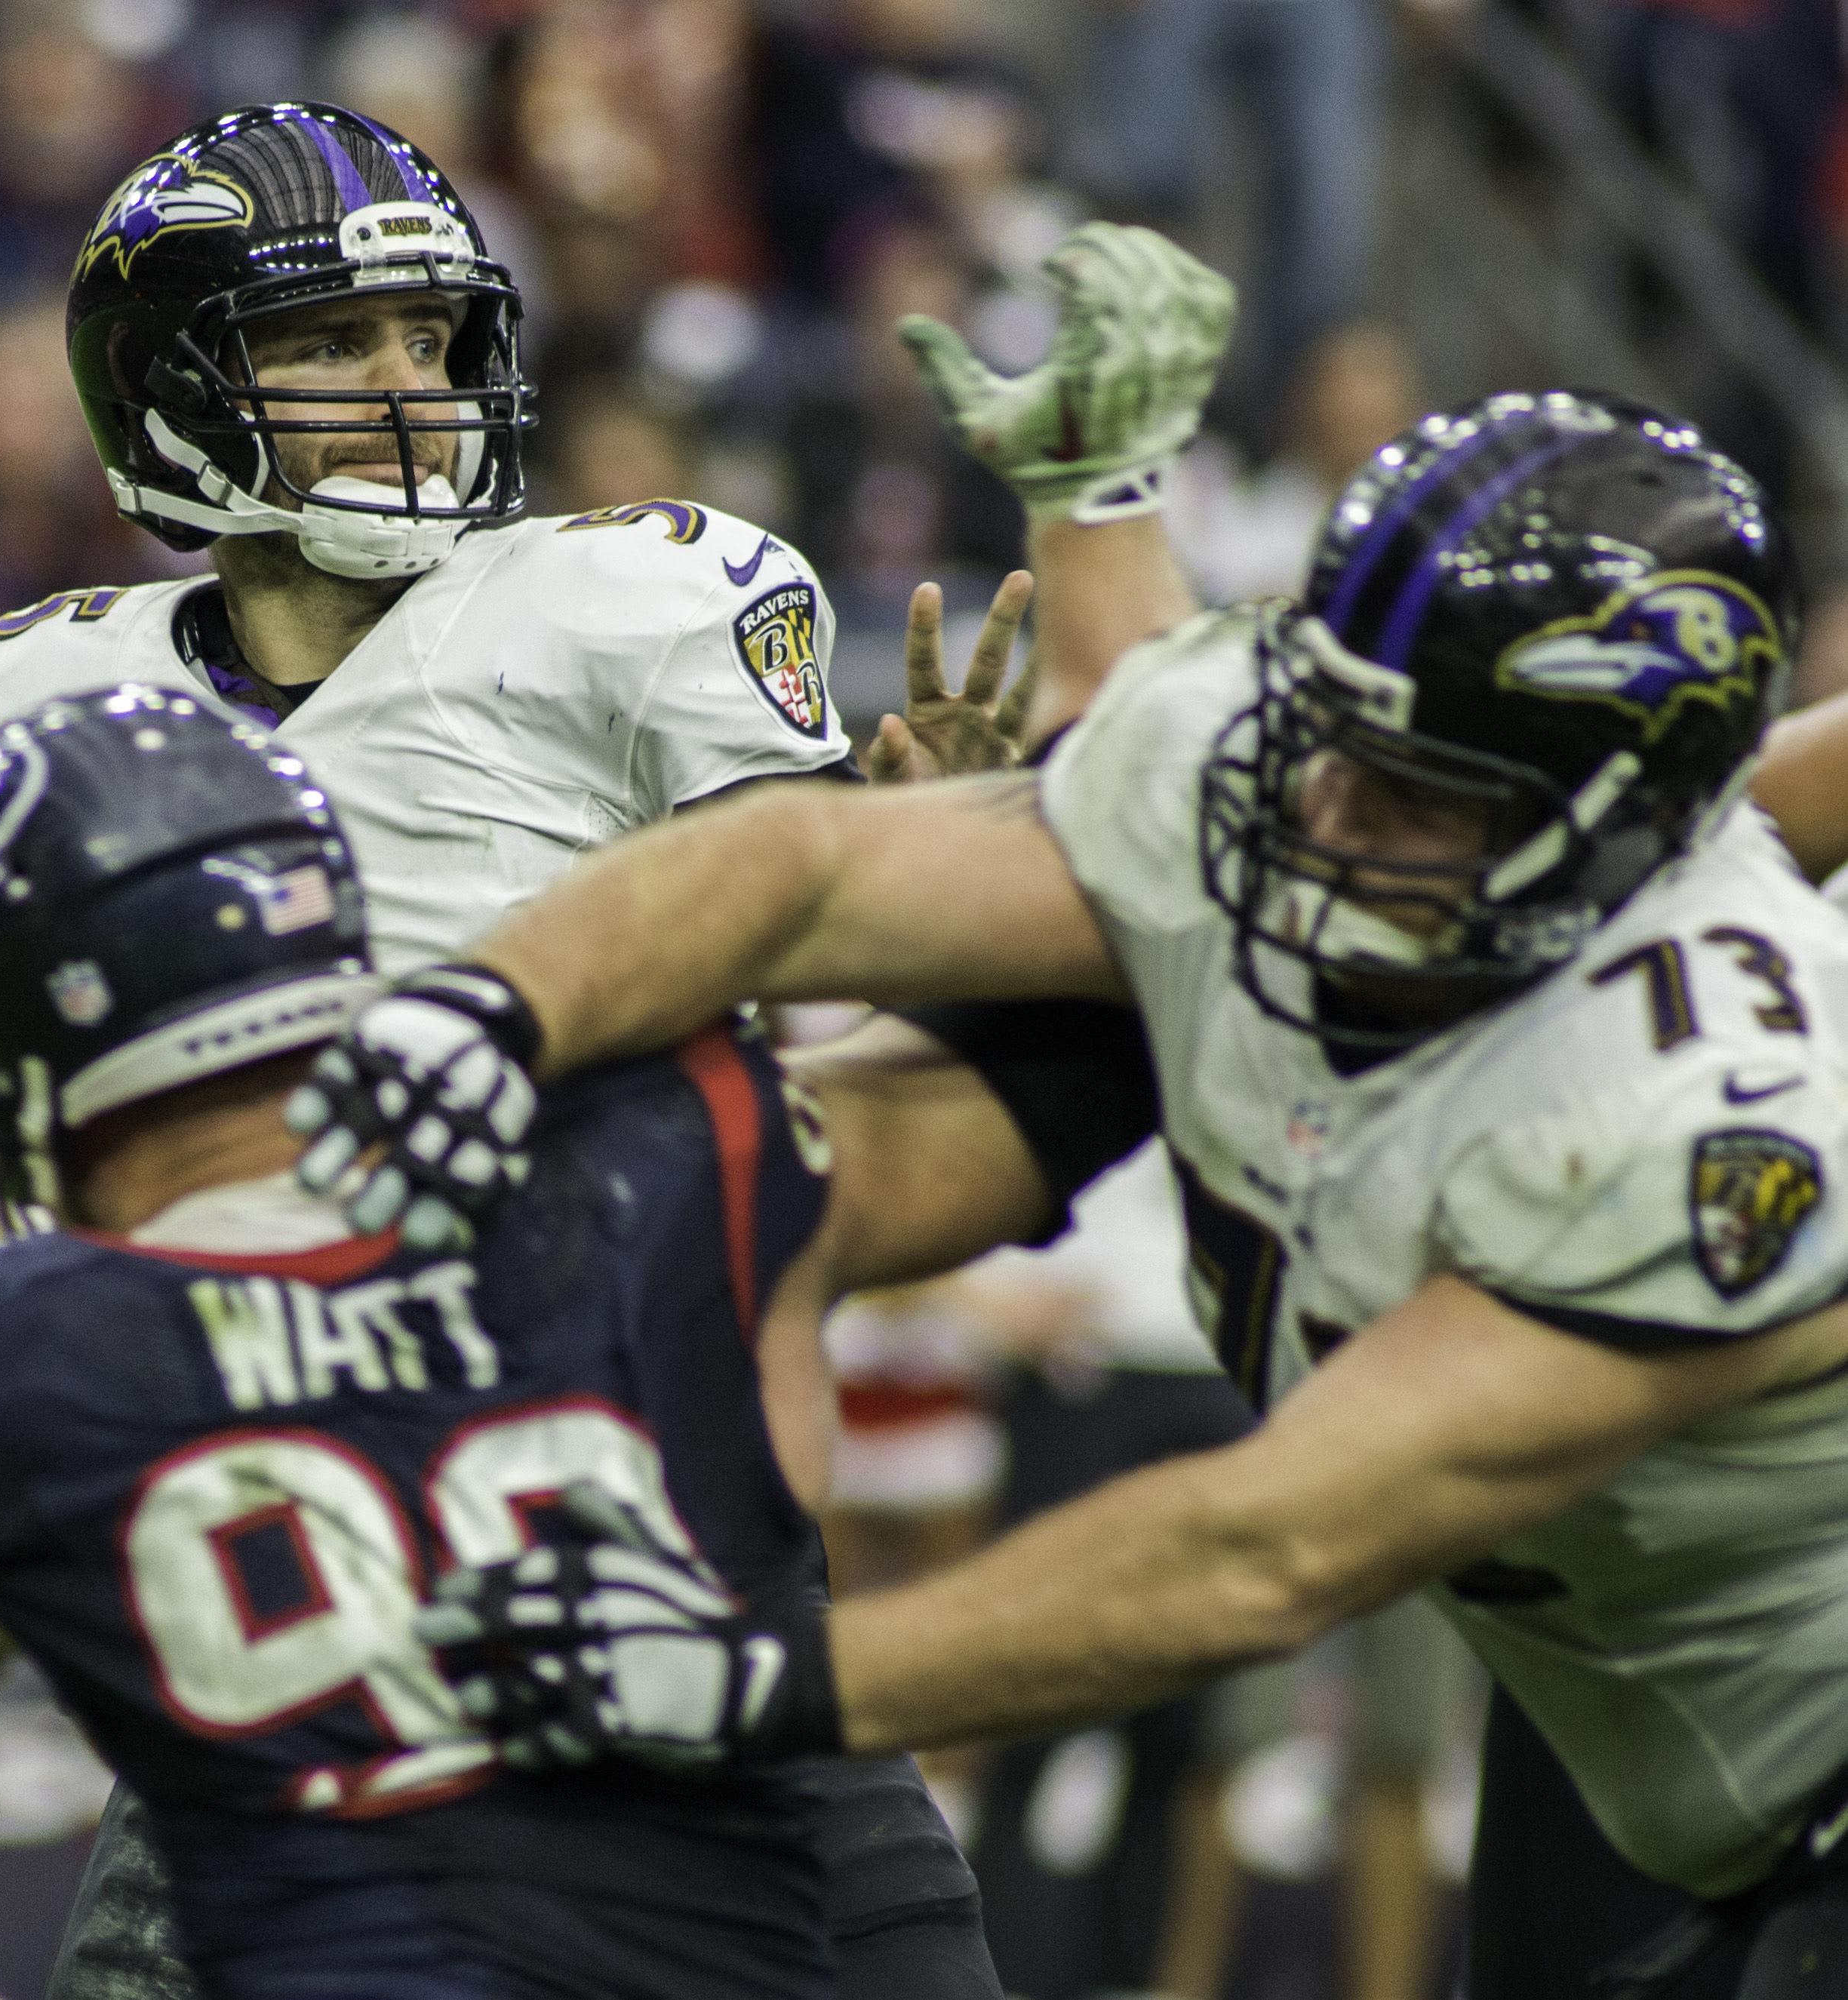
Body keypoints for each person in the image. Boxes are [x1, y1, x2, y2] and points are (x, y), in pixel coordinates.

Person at [0, 98, 1144, 2000]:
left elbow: (846, 955)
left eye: (432, 336)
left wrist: (936, 854)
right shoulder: (47, 699)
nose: (407, 383)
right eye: (332, 338)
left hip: (670, 1619)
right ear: (169, 386)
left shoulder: (620, 607)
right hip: (272, 1656)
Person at [303, 387, 1848, 1998]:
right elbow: (812, 874)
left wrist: (747, 1676)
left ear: (1616, 828)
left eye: (1419, 789)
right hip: (1653, 1706)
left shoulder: (1712, 1120)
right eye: (1332, 733)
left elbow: (1260, 1551)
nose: (1326, 812)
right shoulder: (1260, 756)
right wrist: (492, 1001)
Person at [0, 687, 1068, 2000]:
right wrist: (952, 871)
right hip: (782, 1854)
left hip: (314, 1882)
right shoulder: (647, 1162)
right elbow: (1062, 1079)